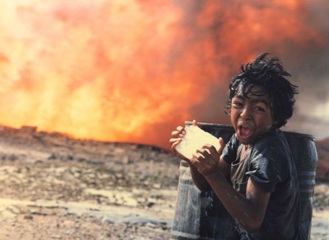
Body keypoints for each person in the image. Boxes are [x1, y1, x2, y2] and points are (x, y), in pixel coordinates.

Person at [170, 53, 304, 239]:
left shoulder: (268, 154)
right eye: (238, 104)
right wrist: (195, 158)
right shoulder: (240, 140)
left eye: (259, 109)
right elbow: (207, 185)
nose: (245, 114)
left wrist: (212, 173)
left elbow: (252, 220)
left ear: (276, 117)